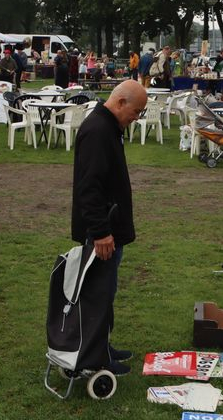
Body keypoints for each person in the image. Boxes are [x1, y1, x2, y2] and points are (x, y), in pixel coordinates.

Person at [72, 79, 147, 376]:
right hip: (101, 233)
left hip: (110, 228)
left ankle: (102, 344)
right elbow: (89, 188)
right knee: (98, 294)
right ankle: (95, 356)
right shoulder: (98, 131)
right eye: (136, 111)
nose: (137, 118)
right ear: (120, 103)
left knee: (106, 291)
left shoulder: (107, 128)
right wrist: (101, 232)